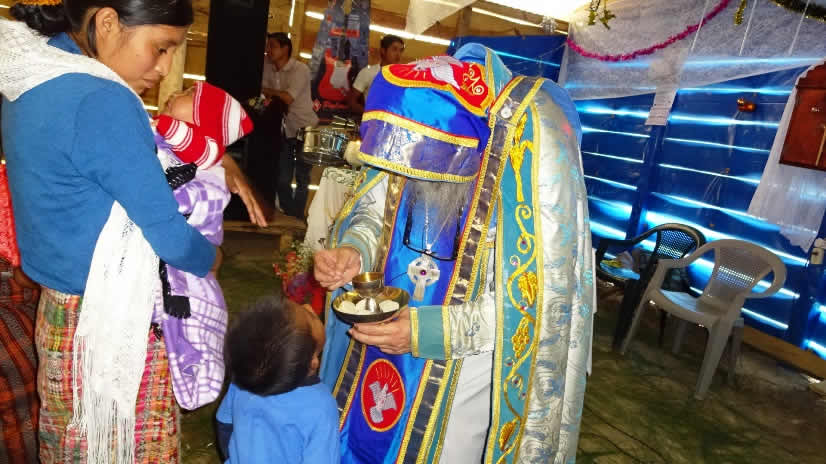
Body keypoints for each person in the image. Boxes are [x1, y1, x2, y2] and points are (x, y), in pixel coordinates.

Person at [0, 0, 259, 461]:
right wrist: (211, 259)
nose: (165, 68)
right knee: (128, 446)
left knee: (74, 444)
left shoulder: (34, 75)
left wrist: (217, 159)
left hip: (58, 312)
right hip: (111, 321)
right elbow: (168, 233)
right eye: (161, 47)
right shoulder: (102, 99)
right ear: (107, 22)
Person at [314, 45, 594, 463]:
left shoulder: (517, 187)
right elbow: (374, 214)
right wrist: (354, 250)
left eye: (427, 157)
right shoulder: (411, 137)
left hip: (461, 373)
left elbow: (527, 310)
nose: (411, 167)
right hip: (381, 339)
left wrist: (428, 333)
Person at [153, 81, 253, 410]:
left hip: (185, 275)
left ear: (202, 120)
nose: (173, 93)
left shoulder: (208, 175)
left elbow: (193, 205)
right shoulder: (156, 141)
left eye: (186, 94)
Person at [216, 295, 339, 464]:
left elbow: (224, 425)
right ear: (313, 362)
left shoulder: (242, 382)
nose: (308, 306)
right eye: (311, 316)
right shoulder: (321, 405)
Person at [262, 32, 319, 219]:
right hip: (284, 129)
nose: (268, 50)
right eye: (267, 46)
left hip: (306, 127)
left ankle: (296, 217)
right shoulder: (266, 66)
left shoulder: (300, 69)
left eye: (272, 46)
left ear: (285, 48)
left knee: (302, 177)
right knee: (282, 178)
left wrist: (267, 91)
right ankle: (291, 215)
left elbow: (287, 98)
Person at [348, 34, 404, 114]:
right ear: (383, 51)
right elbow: (351, 102)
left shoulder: (403, 77)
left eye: (401, 50)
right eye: (394, 49)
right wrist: (369, 115)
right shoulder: (368, 72)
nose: (398, 54)